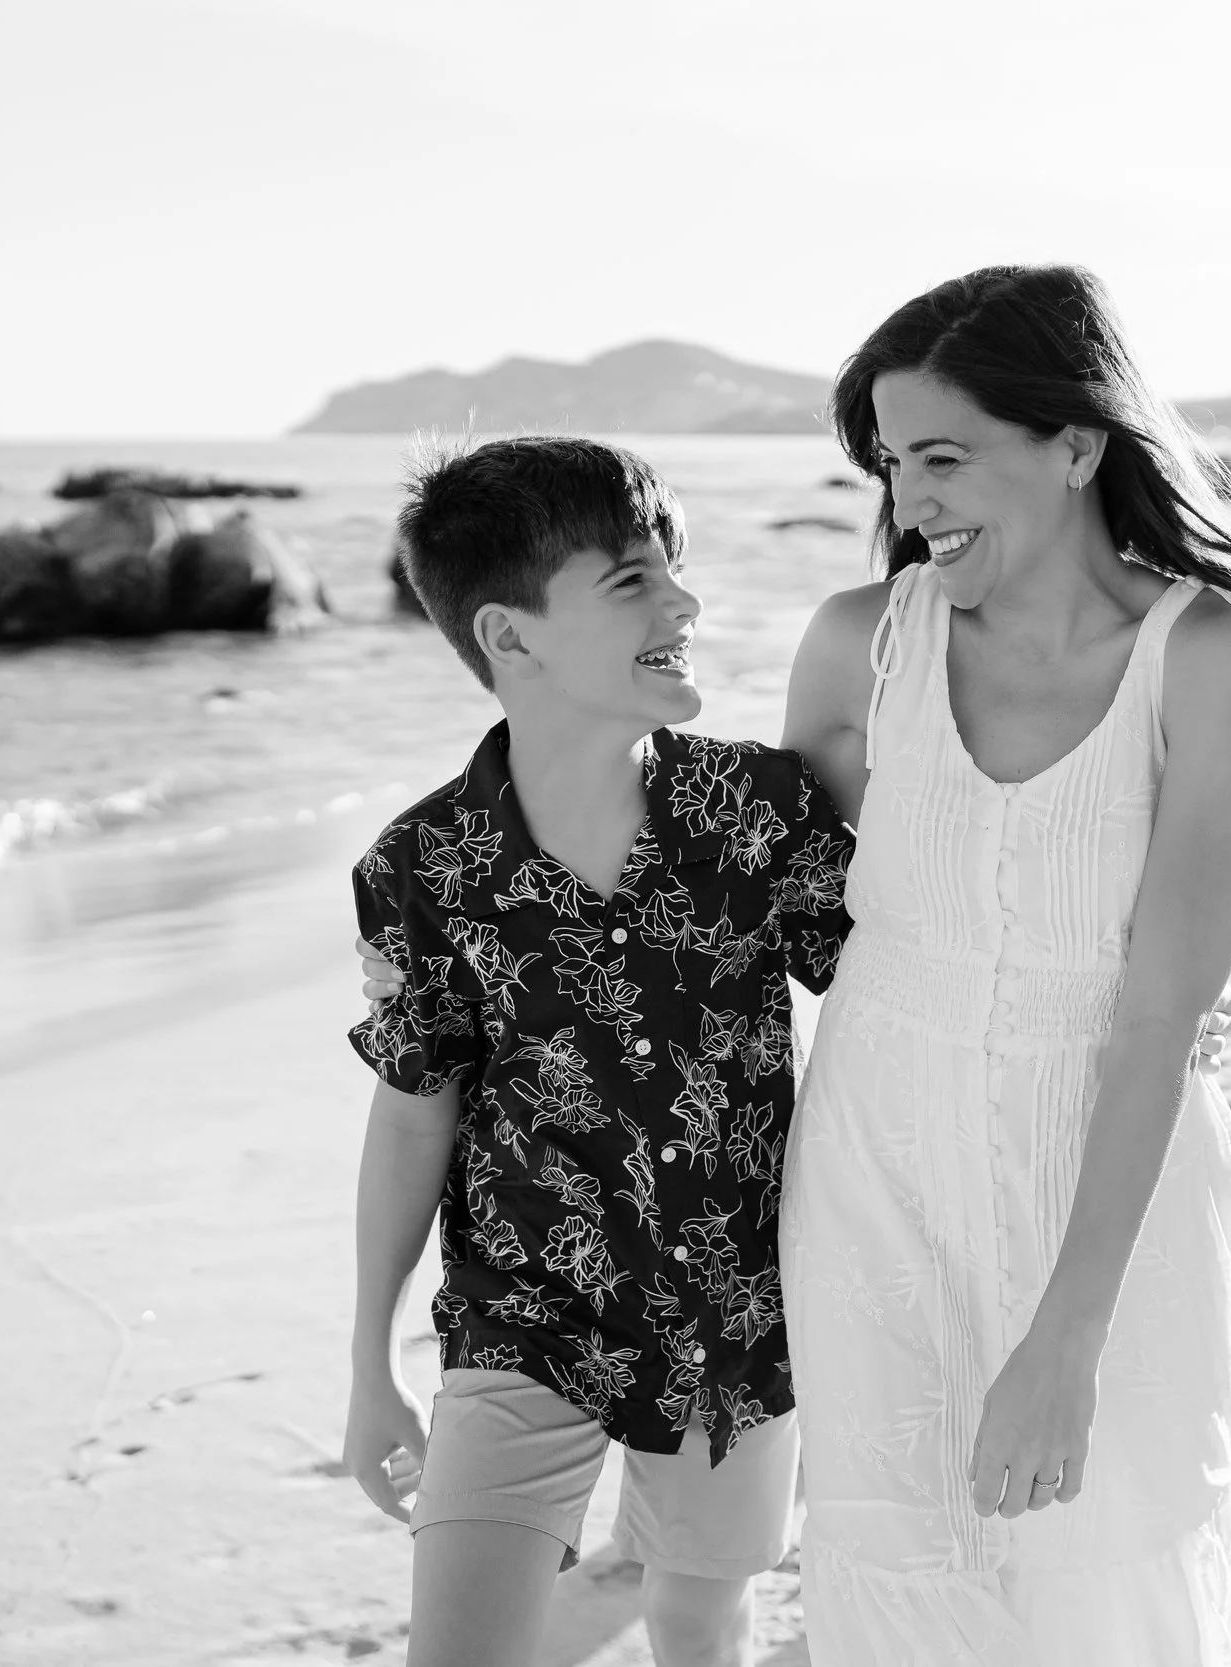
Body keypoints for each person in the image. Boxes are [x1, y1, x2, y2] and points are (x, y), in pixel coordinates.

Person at [776, 264, 1231, 1664]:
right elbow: (786, 911)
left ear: (1078, 442)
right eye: (893, 464)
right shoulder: (858, 645)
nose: (910, 502)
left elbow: (1157, 1016)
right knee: (899, 1570)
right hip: (874, 1175)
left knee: (1106, 1573)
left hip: (1110, 1183)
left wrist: (1065, 1338)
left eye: (945, 457)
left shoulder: (1209, 654)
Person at [339, 437, 854, 1667]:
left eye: (675, 568)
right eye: (632, 579)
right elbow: (415, 1113)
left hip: (736, 1314)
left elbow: (900, 1000)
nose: (683, 601)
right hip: (525, 1311)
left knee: (695, 1618)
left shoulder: (761, 811)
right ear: (509, 638)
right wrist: (370, 1362)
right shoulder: (422, 869)